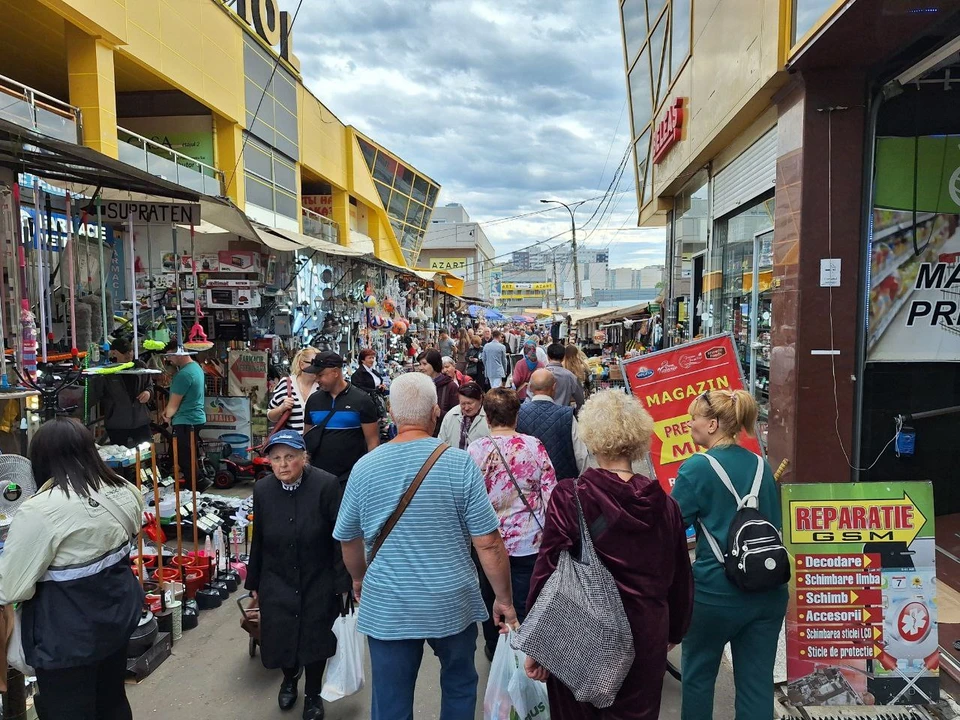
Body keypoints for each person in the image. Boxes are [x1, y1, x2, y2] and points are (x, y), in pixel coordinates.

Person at [334, 372, 517, 720]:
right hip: (452, 599)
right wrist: (503, 599)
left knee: (390, 697)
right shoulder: (459, 464)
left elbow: (349, 538)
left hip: (389, 601)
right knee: (460, 682)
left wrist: (359, 579)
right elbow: (489, 544)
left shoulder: (364, 468)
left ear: (391, 411)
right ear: (435, 412)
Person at [525, 391, 694, 720]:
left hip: (579, 631)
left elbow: (545, 571)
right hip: (646, 632)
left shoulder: (570, 496)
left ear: (591, 438)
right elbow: (681, 576)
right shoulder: (666, 505)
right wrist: (675, 630)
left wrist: (538, 643)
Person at [0, 418, 144, 720]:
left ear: (39, 459)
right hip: (117, 620)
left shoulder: (40, 510)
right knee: (112, 701)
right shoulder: (124, 489)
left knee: (67, 709)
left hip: (66, 640)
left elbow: (10, 588)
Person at [671, 390, 787, 720]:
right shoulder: (761, 465)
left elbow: (671, 529)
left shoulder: (696, 468)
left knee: (698, 678)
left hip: (714, 594)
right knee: (756, 684)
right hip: (768, 592)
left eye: (693, 417)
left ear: (712, 424)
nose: (689, 423)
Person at [245, 430, 348, 720]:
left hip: (318, 575)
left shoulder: (326, 485)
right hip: (277, 576)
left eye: (290, 457)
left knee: (315, 635)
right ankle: (289, 678)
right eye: (276, 459)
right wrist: (254, 581)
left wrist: (342, 583)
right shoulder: (263, 490)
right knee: (282, 633)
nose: (283, 464)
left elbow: (338, 538)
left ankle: (313, 693)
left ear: (304, 457)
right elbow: (260, 538)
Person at [468, 388, 557, 660]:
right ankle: (527, 654)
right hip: (529, 541)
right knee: (526, 600)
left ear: (487, 417)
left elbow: (467, 500)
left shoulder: (475, 450)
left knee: (490, 597)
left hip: (487, 543)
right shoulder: (534, 446)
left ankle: (496, 653)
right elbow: (550, 494)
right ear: (516, 416)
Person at [302, 351, 380, 484]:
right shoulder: (313, 401)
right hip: (318, 477)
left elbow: (372, 441)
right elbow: (307, 436)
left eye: (320, 375)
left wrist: (369, 474)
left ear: (335, 372)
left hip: (351, 477)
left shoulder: (361, 400)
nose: (317, 379)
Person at [517, 369, 588, 481]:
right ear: (554, 386)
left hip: (528, 484)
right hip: (563, 486)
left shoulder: (518, 413)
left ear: (530, 388)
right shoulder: (567, 415)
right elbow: (581, 456)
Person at [89, 337, 153, 446]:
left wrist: (148, 393)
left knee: (148, 452)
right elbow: (92, 395)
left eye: (130, 351)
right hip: (117, 424)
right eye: (124, 353)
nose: (128, 355)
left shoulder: (140, 366)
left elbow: (149, 385)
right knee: (120, 456)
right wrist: (79, 414)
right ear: (114, 353)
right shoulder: (107, 371)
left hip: (141, 421)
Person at [162, 346, 206, 486]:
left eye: (170, 355)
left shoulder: (183, 375)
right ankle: (197, 483)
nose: (168, 359)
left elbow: (173, 405)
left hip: (186, 421)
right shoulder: (196, 368)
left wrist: (167, 416)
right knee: (189, 455)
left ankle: (196, 486)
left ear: (180, 353)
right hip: (195, 418)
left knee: (185, 457)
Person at [267, 346, 319, 434]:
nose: (317, 368)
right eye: (314, 363)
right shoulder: (286, 383)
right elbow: (270, 416)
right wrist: (281, 408)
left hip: (316, 444)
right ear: (301, 364)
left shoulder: (322, 386)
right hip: (291, 444)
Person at [438, 382, 491, 451]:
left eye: (470, 403)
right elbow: (441, 441)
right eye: (462, 404)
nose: (466, 408)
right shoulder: (451, 415)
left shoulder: (489, 417)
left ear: (480, 399)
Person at [534, 342, 584, 411]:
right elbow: (580, 400)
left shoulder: (538, 375)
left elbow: (530, 398)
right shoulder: (570, 377)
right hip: (562, 416)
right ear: (563, 357)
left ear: (548, 356)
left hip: (540, 415)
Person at [417, 349, 459, 433]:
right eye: (420, 364)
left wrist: (440, 413)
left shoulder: (450, 387)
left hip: (443, 435)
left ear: (434, 364)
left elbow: (457, 417)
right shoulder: (420, 385)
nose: (420, 368)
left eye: (424, 364)